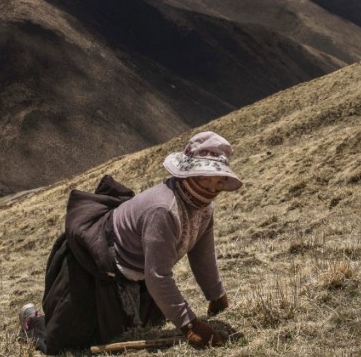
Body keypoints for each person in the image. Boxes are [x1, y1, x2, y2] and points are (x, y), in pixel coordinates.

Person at [20, 131, 242, 352]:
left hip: (137, 274)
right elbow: (158, 276)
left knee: (139, 324)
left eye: (220, 181)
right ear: (189, 173)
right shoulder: (163, 210)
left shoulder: (203, 209)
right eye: (206, 178)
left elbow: (202, 255)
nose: (212, 188)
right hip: (96, 264)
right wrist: (190, 325)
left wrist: (217, 296)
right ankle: (32, 321)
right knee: (69, 341)